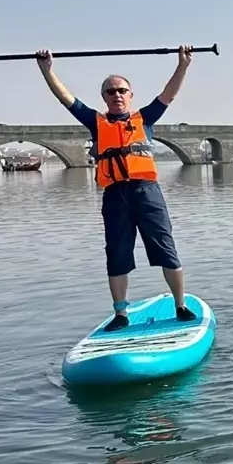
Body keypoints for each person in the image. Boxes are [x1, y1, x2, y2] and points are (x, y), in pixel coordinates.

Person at [36, 46, 197, 332]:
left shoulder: (144, 118)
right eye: (111, 92)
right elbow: (66, 99)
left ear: (130, 95)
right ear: (104, 98)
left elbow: (169, 93)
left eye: (122, 90)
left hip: (147, 192)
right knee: (117, 254)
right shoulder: (96, 122)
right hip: (115, 196)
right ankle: (121, 314)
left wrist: (182, 64)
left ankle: (180, 305)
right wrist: (47, 71)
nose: (117, 95)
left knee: (165, 249)